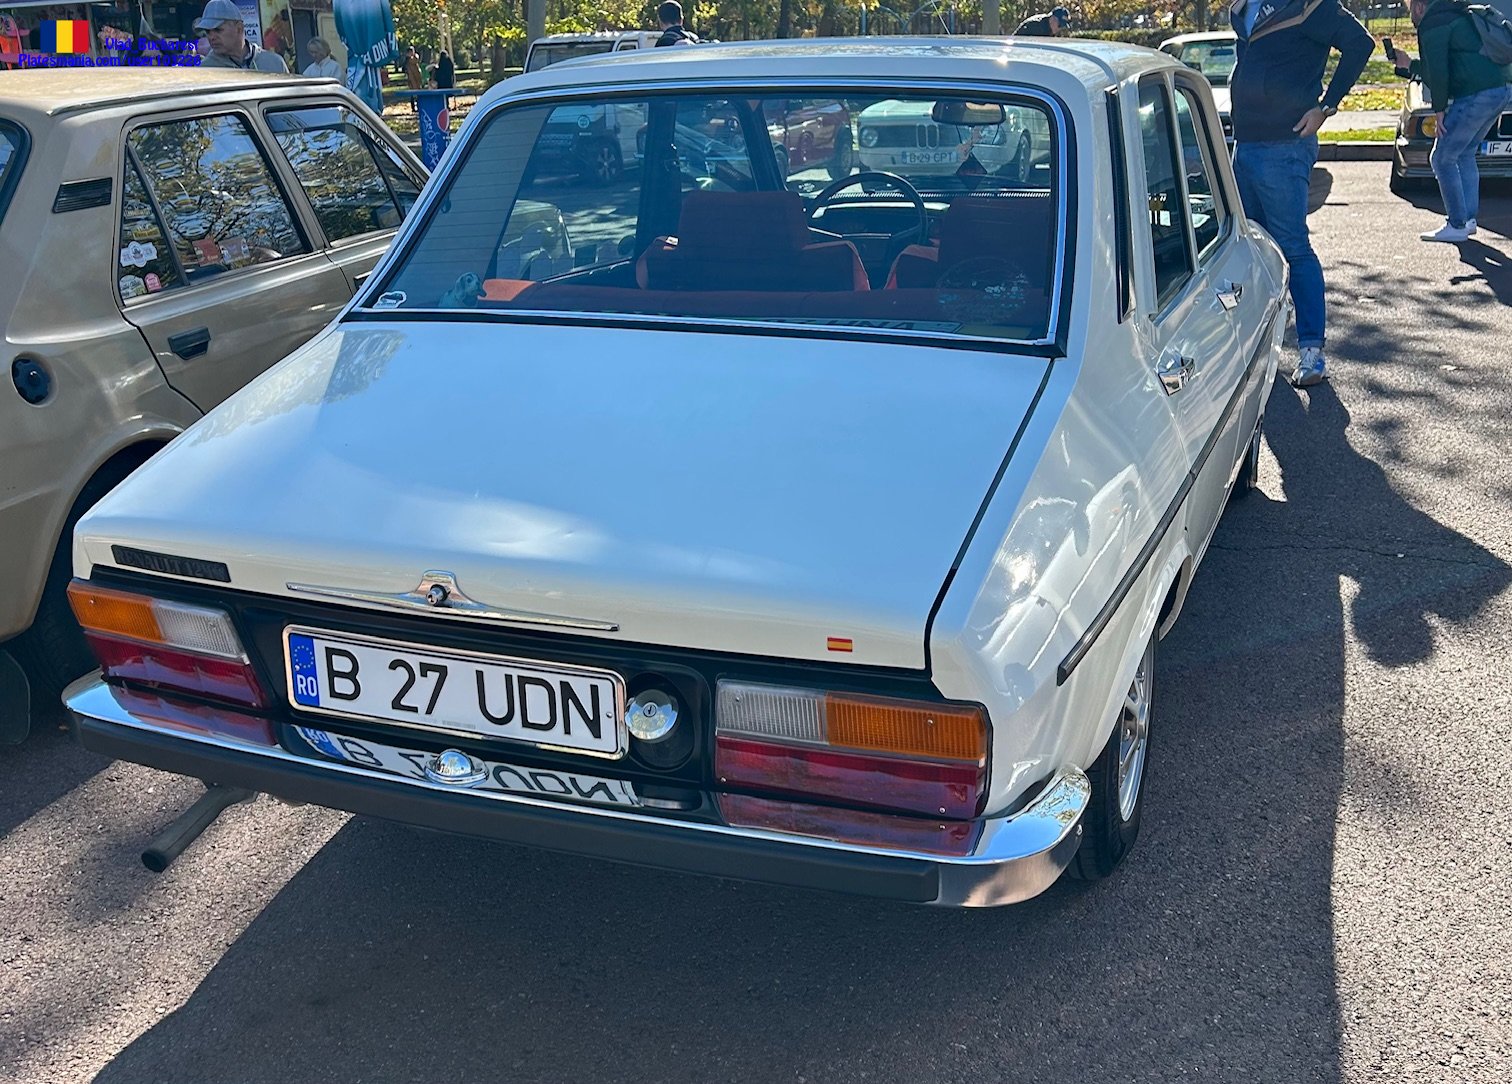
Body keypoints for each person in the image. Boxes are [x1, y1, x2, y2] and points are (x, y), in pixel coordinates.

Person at [1229, 0, 1371, 388]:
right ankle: (1265, 340)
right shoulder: (1243, 8)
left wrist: (1326, 107)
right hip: (1245, 143)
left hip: (1284, 145)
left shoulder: (1310, 5)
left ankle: (1312, 351)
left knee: (1292, 246)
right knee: (1254, 247)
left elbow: (1361, 44)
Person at [1392, 0, 1512, 242]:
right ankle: (1467, 221)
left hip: (1476, 94)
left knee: (1441, 158)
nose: (1410, 17)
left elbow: (1438, 72)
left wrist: (1438, 111)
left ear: (1418, 7)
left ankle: (1456, 224)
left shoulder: (1433, 23)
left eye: (1409, 11)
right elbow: (1452, 64)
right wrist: (1409, 66)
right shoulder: (1455, 14)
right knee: (1465, 153)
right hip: (1501, 90)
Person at [195, 0, 289, 71]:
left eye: (218, 30)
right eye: (208, 31)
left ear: (239, 29)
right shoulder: (206, 70)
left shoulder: (274, 63)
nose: (211, 37)